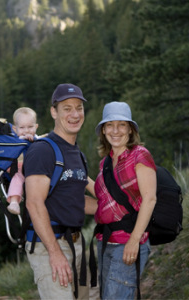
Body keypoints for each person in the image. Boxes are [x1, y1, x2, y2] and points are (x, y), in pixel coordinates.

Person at [23, 83, 97, 300]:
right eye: (67, 108)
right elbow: (34, 203)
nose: (75, 114)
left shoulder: (77, 154)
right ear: (54, 112)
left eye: (79, 108)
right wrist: (54, 253)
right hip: (49, 246)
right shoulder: (42, 150)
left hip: (76, 243)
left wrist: (118, 208)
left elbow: (75, 200)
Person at [93, 101, 157, 300]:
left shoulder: (140, 156)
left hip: (128, 241)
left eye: (121, 124)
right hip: (105, 243)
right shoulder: (105, 162)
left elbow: (150, 199)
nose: (115, 130)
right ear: (103, 130)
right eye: (110, 125)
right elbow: (103, 204)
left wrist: (134, 241)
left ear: (130, 129)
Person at [6, 107, 40, 215]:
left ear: (36, 126)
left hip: (33, 167)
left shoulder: (38, 139)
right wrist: (24, 141)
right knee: (19, 176)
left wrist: (34, 140)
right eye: (22, 127)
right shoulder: (15, 139)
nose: (26, 131)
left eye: (30, 127)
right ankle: (14, 201)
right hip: (18, 166)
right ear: (15, 129)